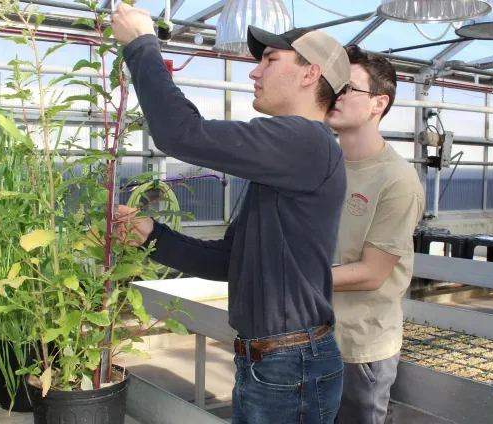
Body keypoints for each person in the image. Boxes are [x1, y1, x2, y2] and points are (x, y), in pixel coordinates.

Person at [110, 3, 350, 423]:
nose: (254, 73)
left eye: (270, 60)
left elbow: (180, 133)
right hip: (271, 363)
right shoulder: (290, 157)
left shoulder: (305, 140)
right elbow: (229, 261)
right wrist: (154, 237)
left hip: (289, 364)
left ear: (311, 73)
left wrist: (142, 46)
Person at [324, 45, 425, 424]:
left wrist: (291, 277)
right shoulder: (322, 163)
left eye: (349, 88)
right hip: (308, 336)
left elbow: (372, 273)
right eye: (334, 85)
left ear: (378, 103)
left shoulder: (395, 179)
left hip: (358, 346)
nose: (336, 95)